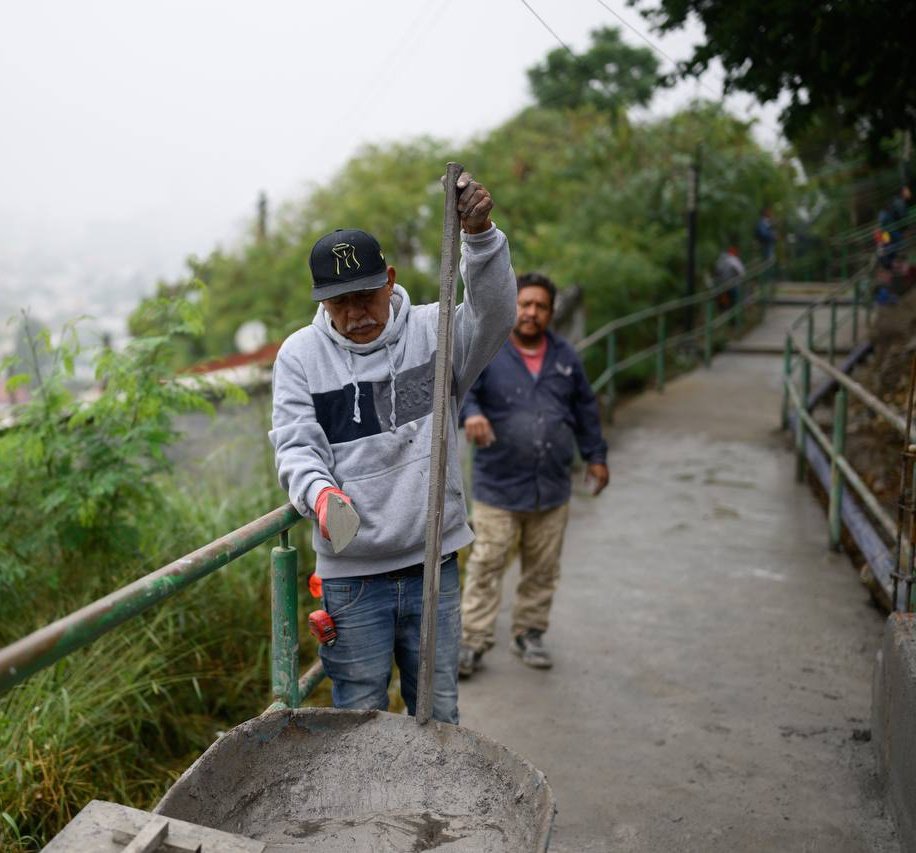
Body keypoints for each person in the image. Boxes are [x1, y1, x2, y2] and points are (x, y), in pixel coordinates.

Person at [269, 172, 516, 724]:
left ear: (390, 281)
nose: (356, 312)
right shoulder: (300, 356)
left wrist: (479, 237)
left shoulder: (435, 333)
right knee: (359, 719)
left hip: (433, 559)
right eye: (340, 302)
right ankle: (367, 816)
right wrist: (320, 494)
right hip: (351, 576)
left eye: (365, 295)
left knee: (438, 713)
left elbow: (497, 316)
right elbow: (295, 446)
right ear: (321, 302)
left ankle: (435, 813)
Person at [457, 272, 609, 676]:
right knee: (486, 565)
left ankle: (529, 633)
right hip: (499, 487)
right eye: (525, 304)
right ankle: (472, 641)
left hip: (551, 488)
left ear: (550, 312)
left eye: (541, 306)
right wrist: (472, 415)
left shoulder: (565, 357)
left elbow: (585, 411)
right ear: (513, 307)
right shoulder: (488, 350)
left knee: (542, 569)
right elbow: (463, 393)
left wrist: (596, 456)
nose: (531, 313)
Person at [713, 241, 745, 309]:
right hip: (731, 285)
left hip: (721, 285)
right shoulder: (733, 259)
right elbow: (742, 273)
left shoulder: (721, 258)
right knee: (734, 301)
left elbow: (717, 271)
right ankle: (734, 314)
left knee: (724, 303)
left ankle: (725, 310)